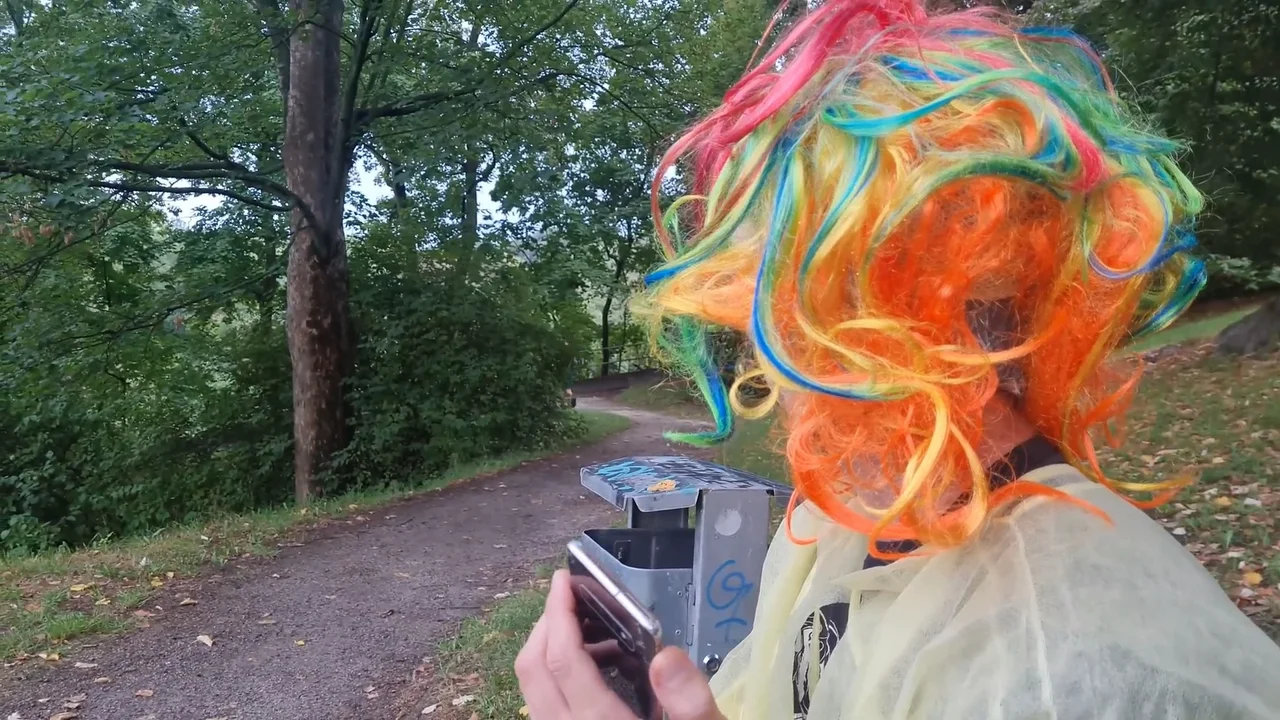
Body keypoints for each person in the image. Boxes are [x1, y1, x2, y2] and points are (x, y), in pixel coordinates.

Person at [516, 0, 1280, 717]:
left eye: (772, 307)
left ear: (865, 327)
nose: (761, 352)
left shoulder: (1067, 660)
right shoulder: (844, 515)